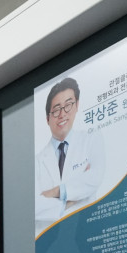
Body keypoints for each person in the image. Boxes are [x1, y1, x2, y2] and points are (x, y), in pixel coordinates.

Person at [35, 77, 99, 224]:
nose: (62, 114)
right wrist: (72, 199)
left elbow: (95, 178)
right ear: (47, 119)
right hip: (49, 235)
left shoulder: (91, 139)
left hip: (86, 226)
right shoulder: (36, 162)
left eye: (68, 105)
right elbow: (34, 207)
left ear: (77, 105)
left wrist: (55, 192)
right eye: (56, 110)